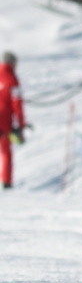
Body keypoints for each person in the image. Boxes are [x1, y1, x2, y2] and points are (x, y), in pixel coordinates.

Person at [0, 52, 24, 189]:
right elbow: (17, 104)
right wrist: (21, 125)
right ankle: (6, 182)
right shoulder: (12, 79)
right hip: (3, 121)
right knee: (5, 152)